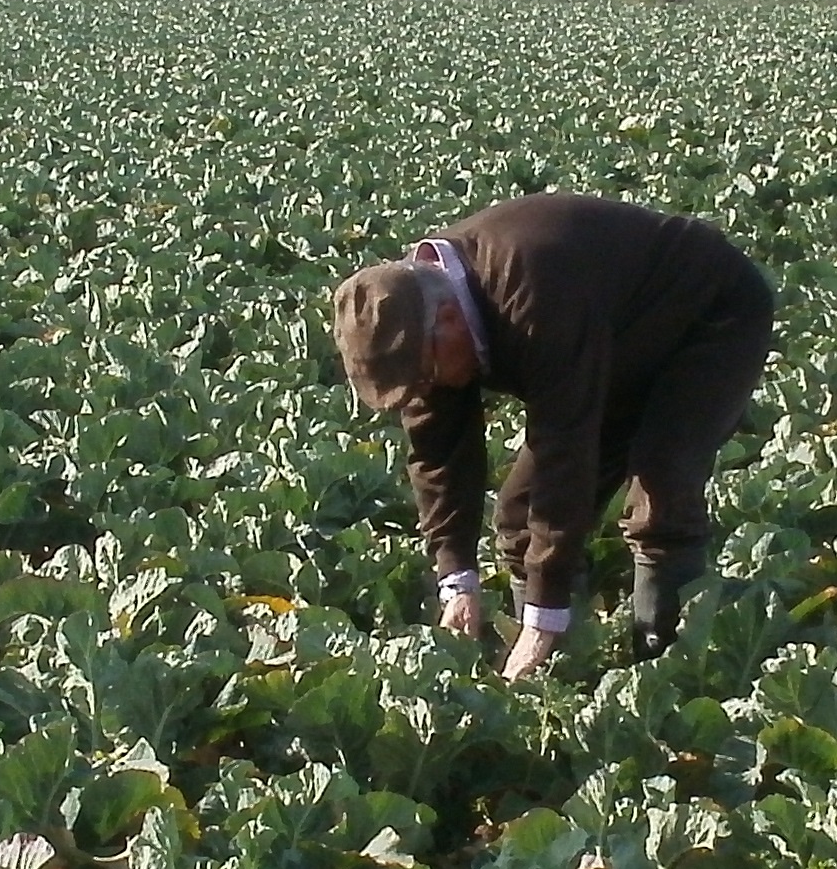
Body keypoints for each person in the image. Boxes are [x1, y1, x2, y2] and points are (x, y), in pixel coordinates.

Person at [328, 196, 774, 678]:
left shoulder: (532, 294)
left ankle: (670, 664)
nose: (425, 391)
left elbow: (565, 448)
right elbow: (438, 455)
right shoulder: (420, 326)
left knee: (661, 490)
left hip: (708, 317)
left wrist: (543, 616)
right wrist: (456, 577)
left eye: (425, 377)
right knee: (521, 517)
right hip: (609, 337)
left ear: (450, 323)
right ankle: (557, 681)